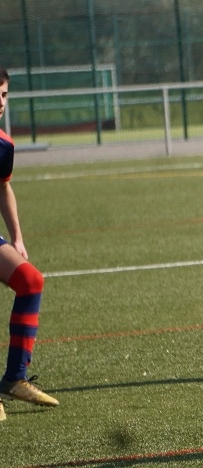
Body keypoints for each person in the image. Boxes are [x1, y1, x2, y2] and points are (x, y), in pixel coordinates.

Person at [0, 68, 60, 423]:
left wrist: (17, 237)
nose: (0, 101)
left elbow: (3, 187)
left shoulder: (4, 145)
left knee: (31, 281)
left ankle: (14, 379)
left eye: (4, 94)